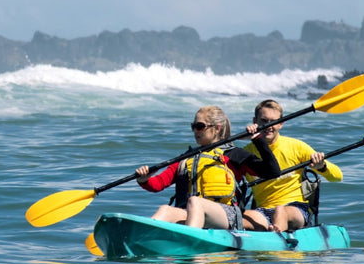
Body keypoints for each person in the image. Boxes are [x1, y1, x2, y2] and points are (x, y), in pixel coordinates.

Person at [135, 105, 280, 230]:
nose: (195, 131)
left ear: (217, 128)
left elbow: (272, 172)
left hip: (226, 215)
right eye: (193, 127)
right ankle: (143, 237)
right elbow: (158, 184)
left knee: (195, 201)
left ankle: (189, 243)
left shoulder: (234, 154)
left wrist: (257, 139)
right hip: (191, 212)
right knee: (165, 209)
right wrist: (144, 179)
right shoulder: (186, 158)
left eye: (200, 126)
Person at [242, 99, 342, 232]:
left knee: (280, 210)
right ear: (255, 121)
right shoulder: (246, 153)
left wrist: (321, 166)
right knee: (238, 217)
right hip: (262, 211)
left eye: (274, 122)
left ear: (281, 123)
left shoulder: (296, 147)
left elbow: (337, 176)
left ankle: (277, 237)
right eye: (264, 121)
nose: (268, 126)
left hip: (295, 209)